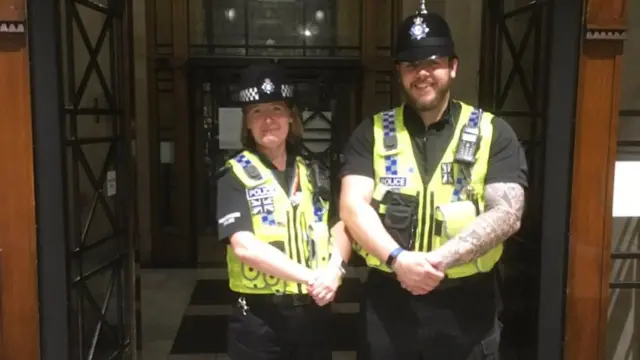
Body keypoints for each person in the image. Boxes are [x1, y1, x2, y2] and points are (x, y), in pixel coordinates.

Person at [339, 2, 528, 360]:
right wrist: (399, 262)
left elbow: (507, 213)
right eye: (411, 64)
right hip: (389, 303)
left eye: (433, 63)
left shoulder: (493, 132)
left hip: (467, 305)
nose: (421, 73)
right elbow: (352, 205)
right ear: (399, 72)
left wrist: (433, 263)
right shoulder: (373, 132)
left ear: (453, 67)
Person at [216, 62, 352, 360]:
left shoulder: (315, 170)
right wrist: (312, 278)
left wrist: (334, 270)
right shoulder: (234, 175)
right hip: (259, 321)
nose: (268, 120)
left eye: (276, 109)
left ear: (291, 117)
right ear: (247, 124)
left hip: (313, 315)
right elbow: (244, 247)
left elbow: (339, 225)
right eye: (256, 112)